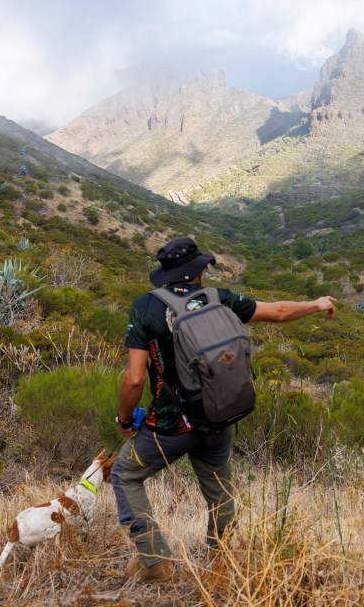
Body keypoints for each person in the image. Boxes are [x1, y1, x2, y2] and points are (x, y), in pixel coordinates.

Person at [111, 236, 336, 582]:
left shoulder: (145, 308)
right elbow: (277, 312)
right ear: (200, 269)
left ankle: (155, 561)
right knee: (219, 488)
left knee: (125, 474)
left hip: (172, 425)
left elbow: (134, 380)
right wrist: (317, 304)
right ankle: (223, 558)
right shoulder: (221, 298)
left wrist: (125, 419)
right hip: (219, 413)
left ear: (167, 274)